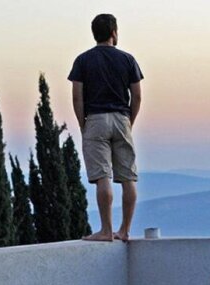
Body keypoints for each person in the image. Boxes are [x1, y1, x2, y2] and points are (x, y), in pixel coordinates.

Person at [68, 13, 144, 242]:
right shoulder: (128, 59)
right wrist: (129, 122)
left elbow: (77, 98)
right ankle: (124, 230)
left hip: (95, 120)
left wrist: (83, 124)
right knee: (128, 177)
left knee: (103, 177)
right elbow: (137, 96)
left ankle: (105, 230)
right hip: (122, 118)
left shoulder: (83, 60)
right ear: (114, 32)